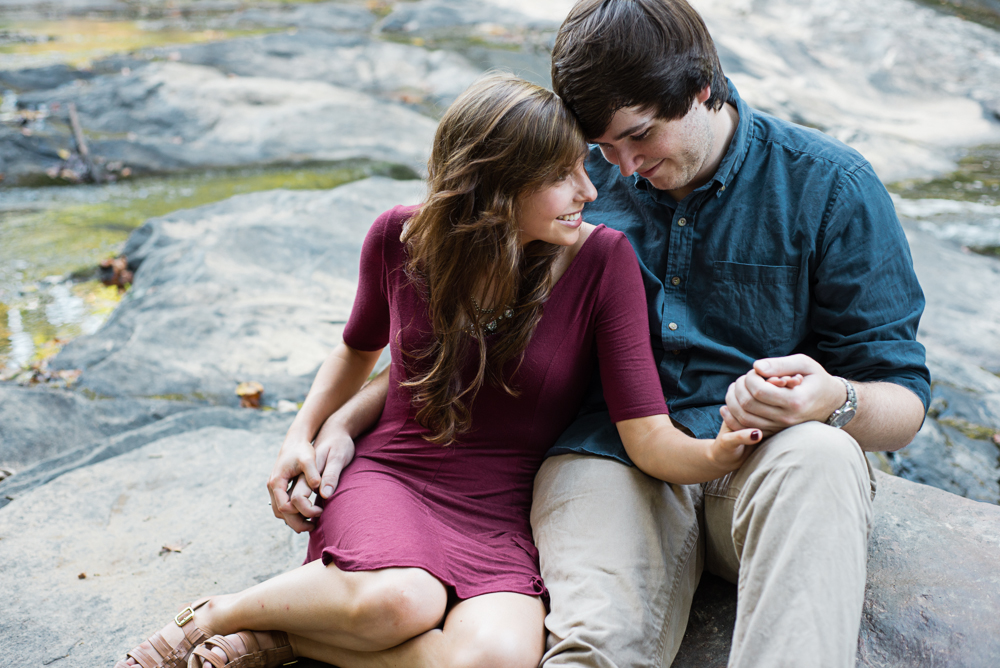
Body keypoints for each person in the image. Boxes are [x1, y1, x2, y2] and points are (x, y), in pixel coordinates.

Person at [274, 2, 933, 667]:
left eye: (639, 137)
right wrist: (342, 425)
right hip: (608, 459)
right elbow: (451, 338)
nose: (618, 168)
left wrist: (832, 400)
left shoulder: (831, 187)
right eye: (603, 145)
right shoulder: (558, 184)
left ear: (704, 87)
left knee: (824, 455)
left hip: (768, 464)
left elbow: (903, 401)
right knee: (597, 647)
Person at [115, 73, 767, 668]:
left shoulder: (603, 261)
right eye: (564, 176)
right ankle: (213, 615)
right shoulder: (399, 239)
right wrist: (302, 437)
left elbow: (645, 432)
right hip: (396, 476)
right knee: (400, 602)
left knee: (498, 658)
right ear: (499, 185)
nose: (590, 191)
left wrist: (721, 450)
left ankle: (281, 638)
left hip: (504, 510)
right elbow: (357, 350)